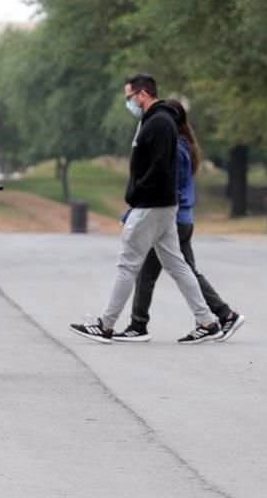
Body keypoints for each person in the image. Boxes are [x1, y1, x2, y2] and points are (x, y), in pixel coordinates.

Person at [70, 74, 221, 344]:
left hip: (151, 204)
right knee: (177, 264)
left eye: (129, 97)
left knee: (127, 264)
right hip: (162, 206)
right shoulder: (154, 121)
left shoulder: (159, 123)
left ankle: (106, 325)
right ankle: (207, 320)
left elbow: (160, 166)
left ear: (142, 94)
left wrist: (137, 193)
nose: (128, 103)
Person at [114, 99, 245, 342]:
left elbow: (167, 186)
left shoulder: (176, 148)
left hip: (171, 217)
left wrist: (132, 211)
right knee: (185, 271)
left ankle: (138, 326)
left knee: (148, 273)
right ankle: (222, 315)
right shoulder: (185, 145)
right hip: (181, 218)